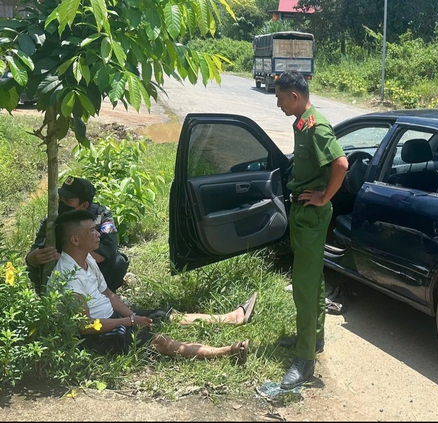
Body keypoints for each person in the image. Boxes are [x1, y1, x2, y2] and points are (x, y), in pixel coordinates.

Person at [51, 209, 257, 361]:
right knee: (159, 341)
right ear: (75, 240)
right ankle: (227, 352)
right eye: (91, 232)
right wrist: (129, 322)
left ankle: (231, 318)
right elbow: (85, 327)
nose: (99, 234)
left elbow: (109, 294)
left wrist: (132, 316)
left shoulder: (87, 259)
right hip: (98, 334)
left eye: (97, 229)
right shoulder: (68, 278)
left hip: (112, 318)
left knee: (163, 315)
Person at [273, 70, 349, 389]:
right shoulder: (302, 123)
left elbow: (341, 164)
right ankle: (313, 339)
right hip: (303, 214)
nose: (278, 104)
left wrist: (323, 197)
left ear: (294, 96)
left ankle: (305, 362)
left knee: (303, 286)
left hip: (311, 216)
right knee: (313, 280)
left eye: (280, 98)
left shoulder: (317, 126)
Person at [26, 176, 129, 294]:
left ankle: (103, 298)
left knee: (118, 261)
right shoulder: (51, 219)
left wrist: (67, 259)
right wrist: (33, 258)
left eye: (68, 200)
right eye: (61, 198)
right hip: (61, 274)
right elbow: (34, 251)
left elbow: (106, 251)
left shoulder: (102, 216)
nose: (62, 203)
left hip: (92, 269)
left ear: (84, 205)